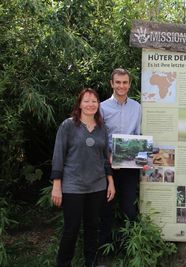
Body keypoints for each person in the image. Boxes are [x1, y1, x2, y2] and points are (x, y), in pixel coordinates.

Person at [51, 88, 115, 267]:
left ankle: (91, 263)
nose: (90, 104)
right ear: (79, 104)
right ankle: (63, 263)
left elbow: (105, 158)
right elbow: (58, 156)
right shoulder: (68, 126)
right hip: (73, 187)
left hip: (97, 186)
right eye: (86, 101)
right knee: (71, 229)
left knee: (92, 227)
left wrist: (110, 182)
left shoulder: (103, 128)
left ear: (98, 104)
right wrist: (57, 185)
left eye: (94, 101)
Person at [99, 68, 142, 253]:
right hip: (108, 164)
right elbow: (99, 136)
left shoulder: (137, 107)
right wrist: (107, 155)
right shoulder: (101, 107)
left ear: (129, 84)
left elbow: (137, 135)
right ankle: (104, 248)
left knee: (129, 208)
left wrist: (142, 156)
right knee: (106, 208)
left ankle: (127, 249)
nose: (121, 86)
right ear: (112, 83)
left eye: (125, 82)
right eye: (118, 82)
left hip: (129, 165)